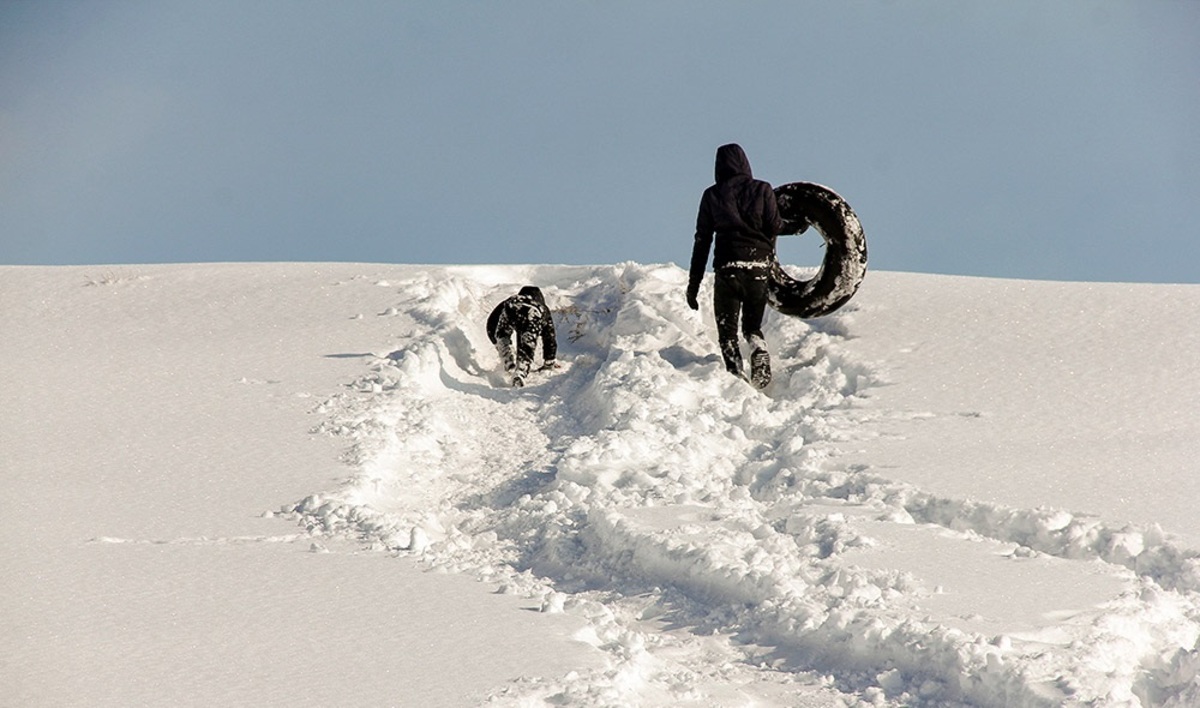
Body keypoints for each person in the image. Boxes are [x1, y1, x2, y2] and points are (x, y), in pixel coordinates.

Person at [687, 143, 783, 389]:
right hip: (758, 268)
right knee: (752, 326)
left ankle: (736, 379)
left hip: (728, 269)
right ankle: (758, 347)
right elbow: (774, 226)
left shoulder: (712, 195)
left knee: (727, 334)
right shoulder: (763, 189)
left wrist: (693, 284)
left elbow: (702, 240)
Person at [486, 285, 558, 387]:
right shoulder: (542, 308)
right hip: (532, 315)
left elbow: (492, 322)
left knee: (503, 335)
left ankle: (508, 360)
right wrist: (549, 361)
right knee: (526, 345)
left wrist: (496, 341)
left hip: (511, 309)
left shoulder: (513, 300)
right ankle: (520, 372)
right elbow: (549, 337)